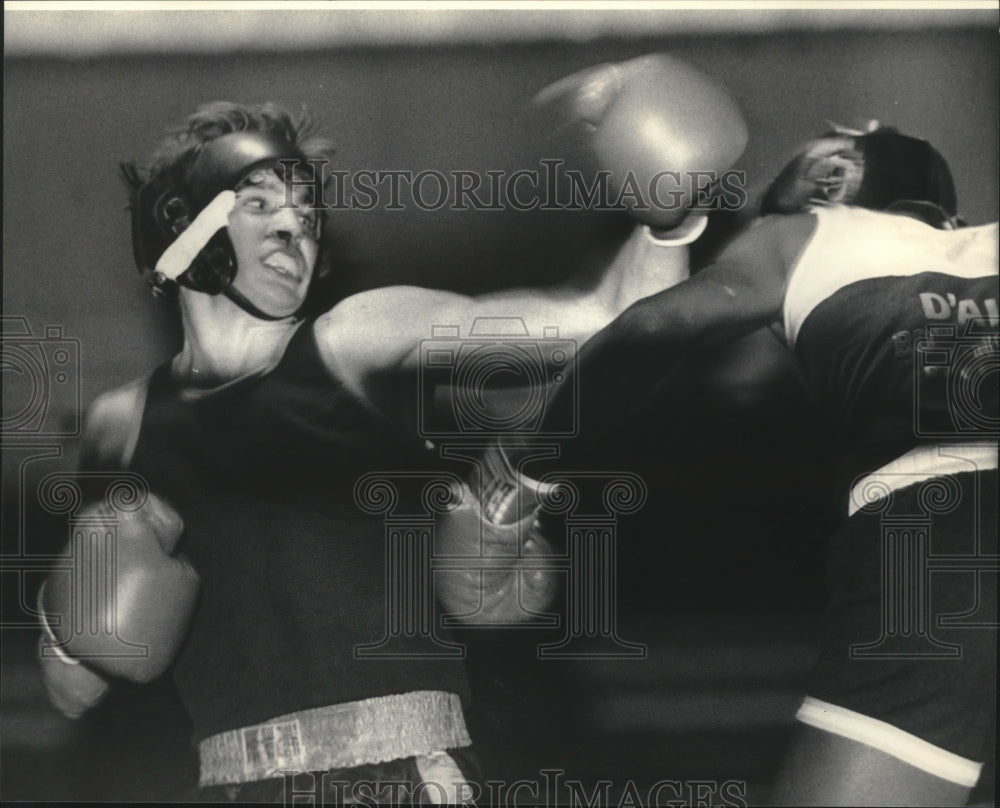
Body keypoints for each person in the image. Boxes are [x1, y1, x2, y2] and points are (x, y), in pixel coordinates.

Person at [36, 53, 749, 804]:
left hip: (403, 774)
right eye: (260, 204)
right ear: (181, 227)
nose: (294, 228)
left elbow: (603, 316)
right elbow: (73, 690)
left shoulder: (353, 338)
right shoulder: (120, 425)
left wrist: (670, 218)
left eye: (307, 215)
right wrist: (70, 628)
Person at [544, 124, 998, 806]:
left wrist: (517, 476)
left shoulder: (809, 234)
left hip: (940, 539)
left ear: (834, 179)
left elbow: (652, 327)